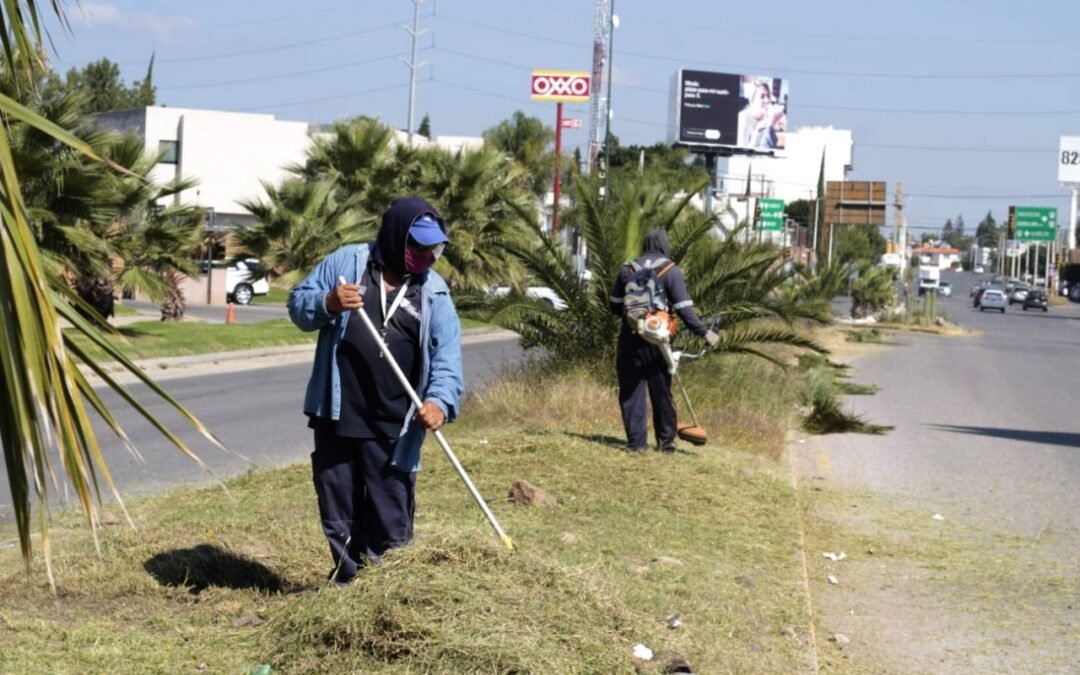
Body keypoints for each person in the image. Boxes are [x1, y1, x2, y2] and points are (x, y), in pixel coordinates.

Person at [288, 196, 463, 585]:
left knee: (390, 519)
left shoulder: (432, 289)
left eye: (434, 248)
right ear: (395, 236)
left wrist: (439, 401)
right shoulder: (346, 264)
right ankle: (347, 586)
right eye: (418, 247)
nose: (427, 256)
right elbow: (298, 305)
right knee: (340, 511)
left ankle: (386, 593)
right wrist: (328, 303)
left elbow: (447, 354)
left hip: (395, 424)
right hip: (337, 414)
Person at [609, 230, 719, 453]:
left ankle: (636, 444)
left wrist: (636, 316)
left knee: (631, 393)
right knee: (662, 393)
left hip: (630, 339)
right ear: (664, 246)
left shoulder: (626, 268)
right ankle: (666, 443)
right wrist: (705, 333)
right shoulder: (671, 270)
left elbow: (614, 305)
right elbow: (685, 311)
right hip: (659, 342)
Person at [738, 78, 787, 150]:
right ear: (752, 101)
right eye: (762, 96)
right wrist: (758, 131)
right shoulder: (743, 117)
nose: (767, 100)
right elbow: (742, 152)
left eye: (768, 96)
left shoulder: (769, 115)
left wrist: (783, 123)